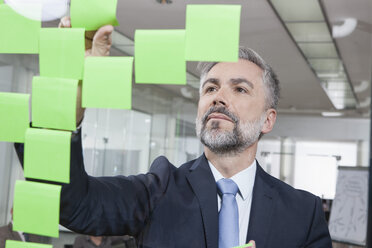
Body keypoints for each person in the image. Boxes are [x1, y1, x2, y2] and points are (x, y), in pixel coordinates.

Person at [16, 17, 332, 248]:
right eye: (210, 87)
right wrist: (67, 100)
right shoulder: (159, 189)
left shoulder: (303, 213)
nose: (218, 97)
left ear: (268, 119)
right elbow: (75, 204)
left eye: (239, 89)